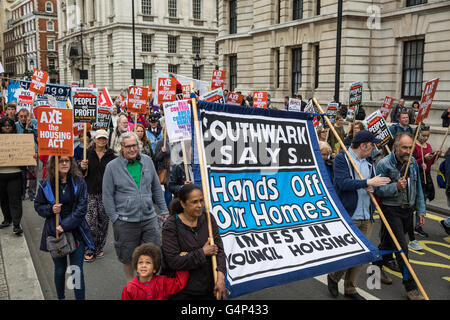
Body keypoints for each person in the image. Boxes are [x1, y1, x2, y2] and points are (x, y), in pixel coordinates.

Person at [327, 130, 391, 300]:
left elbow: (373, 183)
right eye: (372, 145)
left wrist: (374, 186)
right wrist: (367, 182)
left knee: (362, 256)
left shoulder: (369, 161)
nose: (374, 148)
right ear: (363, 146)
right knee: (349, 254)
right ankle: (333, 277)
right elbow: (342, 183)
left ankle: (350, 288)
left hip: (366, 215)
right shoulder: (342, 158)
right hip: (349, 215)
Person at [102, 131, 169, 282]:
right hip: (125, 222)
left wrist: (164, 210)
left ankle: (148, 287)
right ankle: (131, 287)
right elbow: (107, 196)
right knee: (127, 257)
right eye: (128, 147)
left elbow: (156, 188)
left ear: (138, 146)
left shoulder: (147, 161)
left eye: (134, 146)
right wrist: (115, 218)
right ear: (121, 148)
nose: (132, 149)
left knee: (153, 255)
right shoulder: (112, 167)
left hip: (149, 219)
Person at [373, 133, 426, 300]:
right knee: (402, 248)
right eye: (404, 147)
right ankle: (411, 287)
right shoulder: (384, 164)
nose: (408, 151)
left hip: (407, 210)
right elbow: (377, 190)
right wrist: (395, 187)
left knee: (389, 242)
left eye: (410, 147)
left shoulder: (413, 163)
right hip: (391, 210)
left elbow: (418, 188)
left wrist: (421, 210)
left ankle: (375, 267)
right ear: (396, 147)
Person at [34, 156, 95, 300]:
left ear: (71, 163)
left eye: (67, 160)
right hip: (55, 234)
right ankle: (61, 297)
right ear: (54, 164)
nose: (64, 163)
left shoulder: (79, 182)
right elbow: (38, 206)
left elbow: (81, 209)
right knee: (60, 270)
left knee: (76, 271)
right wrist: (50, 209)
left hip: (76, 232)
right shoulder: (46, 184)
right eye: (60, 161)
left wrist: (64, 225)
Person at [161, 184, 227, 300]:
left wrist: (221, 277)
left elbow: (220, 250)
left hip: (209, 288)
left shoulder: (208, 218)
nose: (200, 205)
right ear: (182, 204)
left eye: (201, 200)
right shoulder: (171, 226)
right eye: (194, 202)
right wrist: (202, 252)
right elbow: (173, 261)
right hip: (183, 291)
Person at [79, 129, 116, 262]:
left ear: (107, 140)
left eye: (104, 138)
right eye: (99, 138)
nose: (101, 140)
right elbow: (78, 173)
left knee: (103, 223)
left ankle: (99, 248)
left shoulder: (112, 156)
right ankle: (89, 248)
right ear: (94, 140)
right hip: (90, 193)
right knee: (90, 223)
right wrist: (81, 166)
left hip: (106, 194)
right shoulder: (87, 153)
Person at [120, 243, 189, 300]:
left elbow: (178, 284)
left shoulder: (163, 282)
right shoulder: (129, 289)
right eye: (140, 262)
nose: (143, 265)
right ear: (136, 267)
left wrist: (182, 260)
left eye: (148, 262)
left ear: (154, 268)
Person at [412, 125, 439, 241]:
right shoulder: (413, 146)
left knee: (423, 200)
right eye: (424, 135)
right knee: (415, 200)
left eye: (428, 136)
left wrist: (434, 157)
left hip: (426, 176)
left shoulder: (428, 146)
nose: (426, 138)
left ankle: (418, 225)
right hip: (416, 175)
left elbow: (429, 163)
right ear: (418, 134)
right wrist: (421, 160)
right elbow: (411, 162)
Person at [0, 117, 24, 235]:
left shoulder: (20, 140)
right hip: (1, 175)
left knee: (15, 200)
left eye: (9, 125)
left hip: (15, 174)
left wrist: (31, 156)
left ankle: (16, 224)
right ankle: (7, 219)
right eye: (5, 125)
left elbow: (26, 153)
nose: (7, 127)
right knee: (3, 199)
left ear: (13, 127)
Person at [15, 108, 39, 201]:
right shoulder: (16, 125)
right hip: (21, 153)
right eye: (21, 116)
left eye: (25, 116)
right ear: (18, 117)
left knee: (33, 174)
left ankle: (32, 194)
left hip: (33, 152)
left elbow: (39, 135)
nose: (23, 118)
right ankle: (22, 193)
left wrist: (31, 126)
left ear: (28, 116)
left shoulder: (34, 122)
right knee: (22, 174)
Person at [154, 137, 172, 208]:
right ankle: (167, 211)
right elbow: (156, 158)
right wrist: (162, 152)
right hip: (166, 170)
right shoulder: (161, 142)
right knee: (168, 191)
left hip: (176, 170)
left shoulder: (178, 141)